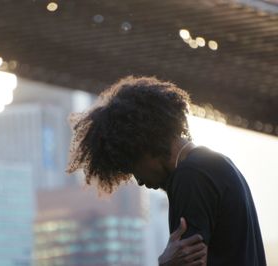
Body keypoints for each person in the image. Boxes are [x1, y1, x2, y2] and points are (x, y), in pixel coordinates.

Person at [66, 76, 266, 265]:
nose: (140, 181)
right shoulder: (217, 164)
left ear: (142, 145)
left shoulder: (190, 177)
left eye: (133, 168)